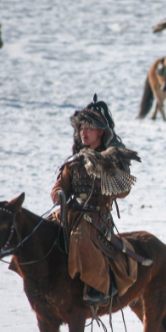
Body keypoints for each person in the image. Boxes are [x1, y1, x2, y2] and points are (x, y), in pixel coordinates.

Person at [51, 95, 138, 307]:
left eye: (88, 128)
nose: (83, 133)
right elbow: (60, 185)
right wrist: (59, 195)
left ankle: (96, 286)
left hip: (96, 217)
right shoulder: (74, 161)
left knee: (81, 236)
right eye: (81, 128)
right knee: (44, 233)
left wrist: (107, 179)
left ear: (100, 131)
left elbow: (124, 189)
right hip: (70, 212)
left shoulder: (111, 160)